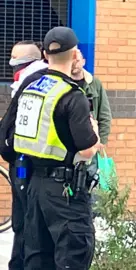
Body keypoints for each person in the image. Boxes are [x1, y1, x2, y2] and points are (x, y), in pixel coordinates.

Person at [12, 26, 100, 269]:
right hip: (65, 192)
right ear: (74, 55)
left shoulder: (29, 90)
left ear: (45, 55)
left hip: (34, 186)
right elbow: (88, 148)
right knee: (73, 255)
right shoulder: (72, 95)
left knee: (37, 258)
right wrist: (94, 130)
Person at [0, 40, 49, 270]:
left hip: (27, 165)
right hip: (21, 164)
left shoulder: (35, 85)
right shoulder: (25, 84)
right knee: (21, 222)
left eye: (16, 63)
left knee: (28, 223)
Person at [71, 50, 112, 216]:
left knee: (90, 187)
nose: (75, 63)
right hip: (70, 148)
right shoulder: (63, 83)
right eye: (71, 60)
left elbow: (104, 114)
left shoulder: (94, 84)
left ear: (83, 61)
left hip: (90, 146)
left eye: (77, 59)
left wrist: (100, 141)